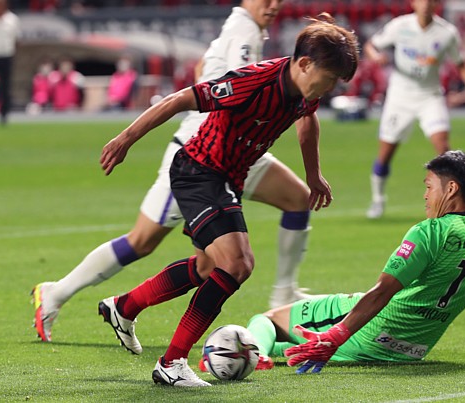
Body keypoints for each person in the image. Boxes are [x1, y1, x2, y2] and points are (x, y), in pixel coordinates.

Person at [32, 0, 324, 344]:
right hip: (201, 152)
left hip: (239, 153)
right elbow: (242, 85)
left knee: (293, 202)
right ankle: (56, 293)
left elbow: (205, 68)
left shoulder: (246, 31)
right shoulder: (244, 32)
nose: (273, 5)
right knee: (143, 241)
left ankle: (283, 293)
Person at [95, 13, 358, 387]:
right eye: (329, 79)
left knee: (208, 267)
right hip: (199, 171)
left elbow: (307, 123)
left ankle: (125, 306)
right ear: (304, 64)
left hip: (227, 178)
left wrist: (313, 174)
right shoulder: (253, 82)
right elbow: (179, 99)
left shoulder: (304, 93)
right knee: (237, 264)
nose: (330, 88)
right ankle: (172, 363)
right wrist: (125, 140)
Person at [241, 151, 465, 375]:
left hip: (367, 329)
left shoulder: (430, 232)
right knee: (294, 345)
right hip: (409, 349)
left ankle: (257, 355)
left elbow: (381, 293)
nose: (425, 195)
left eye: (429, 187)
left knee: (267, 318)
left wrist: (337, 335)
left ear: (452, 188)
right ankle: (261, 355)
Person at [364, 0, 465, 219]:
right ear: (413, 2)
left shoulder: (447, 33)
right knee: (385, 154)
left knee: (444, 150)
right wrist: (375, 56)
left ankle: (450, 204)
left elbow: (460, 62)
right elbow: (371, 45)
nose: (426, 3)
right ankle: (377, 199)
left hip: (430, 96)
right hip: (400, 97)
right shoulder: (400, 26)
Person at [0, 0, 20, 125]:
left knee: (5, 86)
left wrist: (13, 54)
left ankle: (4, 114)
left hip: (5, 56)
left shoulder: (13, 20)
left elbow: (17, 39)